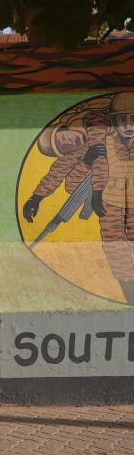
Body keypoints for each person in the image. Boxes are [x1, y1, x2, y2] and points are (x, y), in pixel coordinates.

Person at [93, 92, 134, 304]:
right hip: (111, 205)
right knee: (116, 250)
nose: (128, 125)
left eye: (133, 119)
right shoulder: (106, 144)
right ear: (114, 122)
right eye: (122, 120)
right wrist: (97, 194)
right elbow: (100, 170)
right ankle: (129, 297)